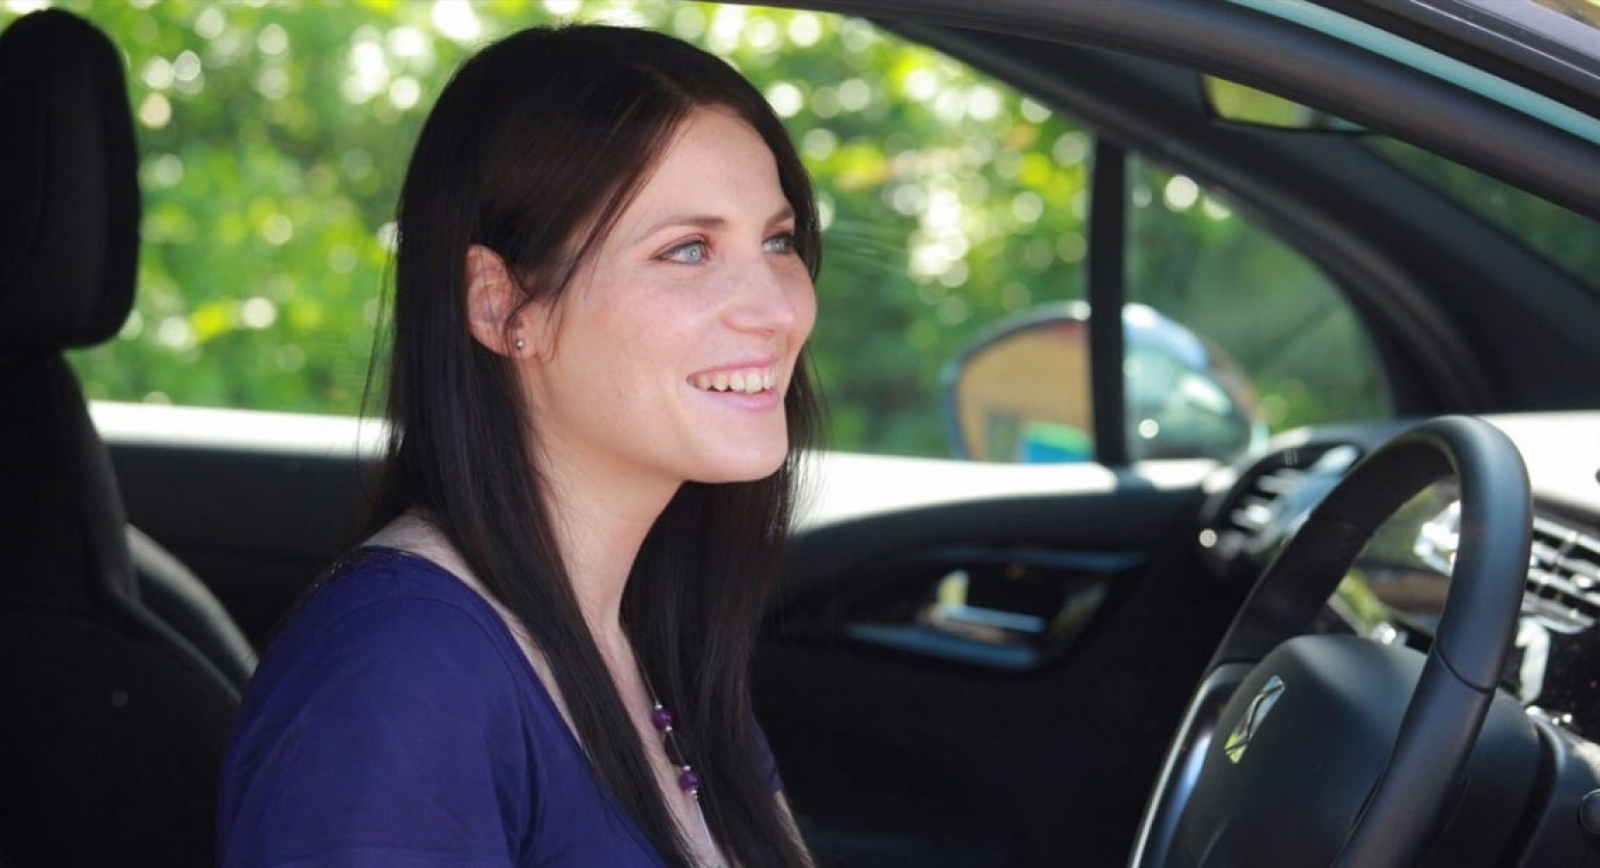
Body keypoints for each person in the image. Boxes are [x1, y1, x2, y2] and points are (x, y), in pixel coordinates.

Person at [216, 23, 821, 868]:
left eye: (778, 242)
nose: (778, 309)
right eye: (687, 250)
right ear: (501, 307)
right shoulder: (404, 672)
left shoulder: (653, 637)